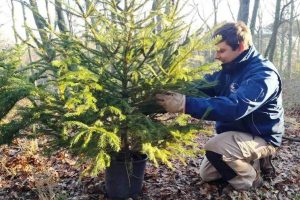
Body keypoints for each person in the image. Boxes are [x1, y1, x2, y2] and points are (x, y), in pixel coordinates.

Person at [156, 21, 284, 191]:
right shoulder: (229, 69)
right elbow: (202, 86)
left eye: (221, 50)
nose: (217, 56)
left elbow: (234, 107)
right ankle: (247, 161)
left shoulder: (263, 74)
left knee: (215, 148)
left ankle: (252, 179)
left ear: (240, 46)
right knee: (207, 174)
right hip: (235, 133)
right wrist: (174, 89)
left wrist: (184, 104)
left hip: (261, 136)